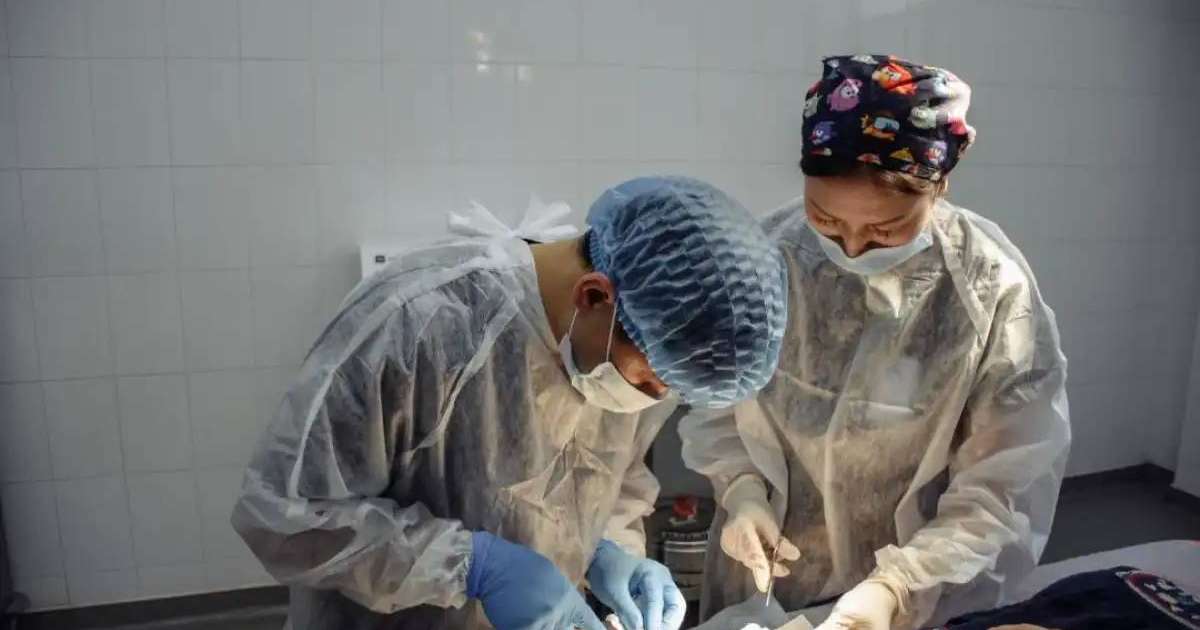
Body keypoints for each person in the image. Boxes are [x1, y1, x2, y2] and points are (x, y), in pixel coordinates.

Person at [232, 176, 789, 630]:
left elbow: (607, 486)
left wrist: (607, 551)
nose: (652, 401)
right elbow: (286, 515)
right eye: (649, 382)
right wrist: (473, 566)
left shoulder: (638, 344)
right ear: (594, 296)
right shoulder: (419, 322)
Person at [681, 55, 1071, 630]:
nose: (855, 248)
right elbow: (718, 402)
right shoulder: (766, 258)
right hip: (766, 574)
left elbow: (1003, 484)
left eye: (886, 228)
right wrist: (741, 491)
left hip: (926, 585)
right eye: (826, 219)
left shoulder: (989, 291)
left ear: (939, 186)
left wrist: (897, 584)